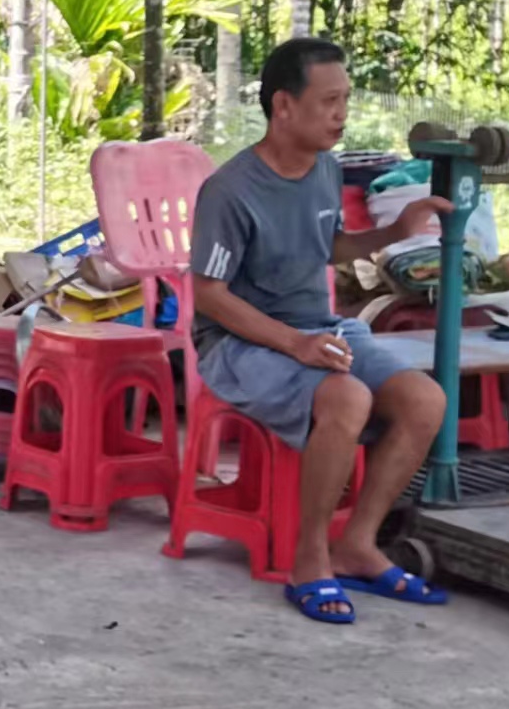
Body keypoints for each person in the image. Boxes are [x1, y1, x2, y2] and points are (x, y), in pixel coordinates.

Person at [191, 38, 453, 624]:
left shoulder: (327, 170)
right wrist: (295, 344)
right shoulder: (230, 191)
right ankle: (309, 560)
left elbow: (329, 247)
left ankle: (357, 544)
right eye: (329, 101)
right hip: (236, 344)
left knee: (425, 400)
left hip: (319, 329)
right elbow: (209, 295)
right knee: (347, 397)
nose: (342, 114)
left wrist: (397, 232)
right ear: (284, 106)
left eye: (346, 100)